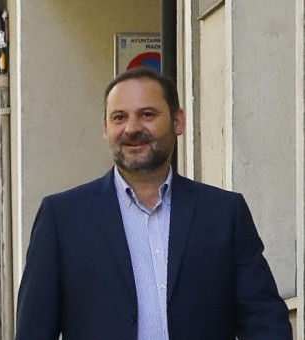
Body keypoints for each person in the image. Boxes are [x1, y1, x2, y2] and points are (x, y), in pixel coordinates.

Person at [15, 67, 292, 339]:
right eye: (119, 117)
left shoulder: (223, 214)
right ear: (105, 128)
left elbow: (263, 319)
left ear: (178, 121)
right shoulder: (63, 219)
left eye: (147, 114)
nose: (132, 128)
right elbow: (34, 330)